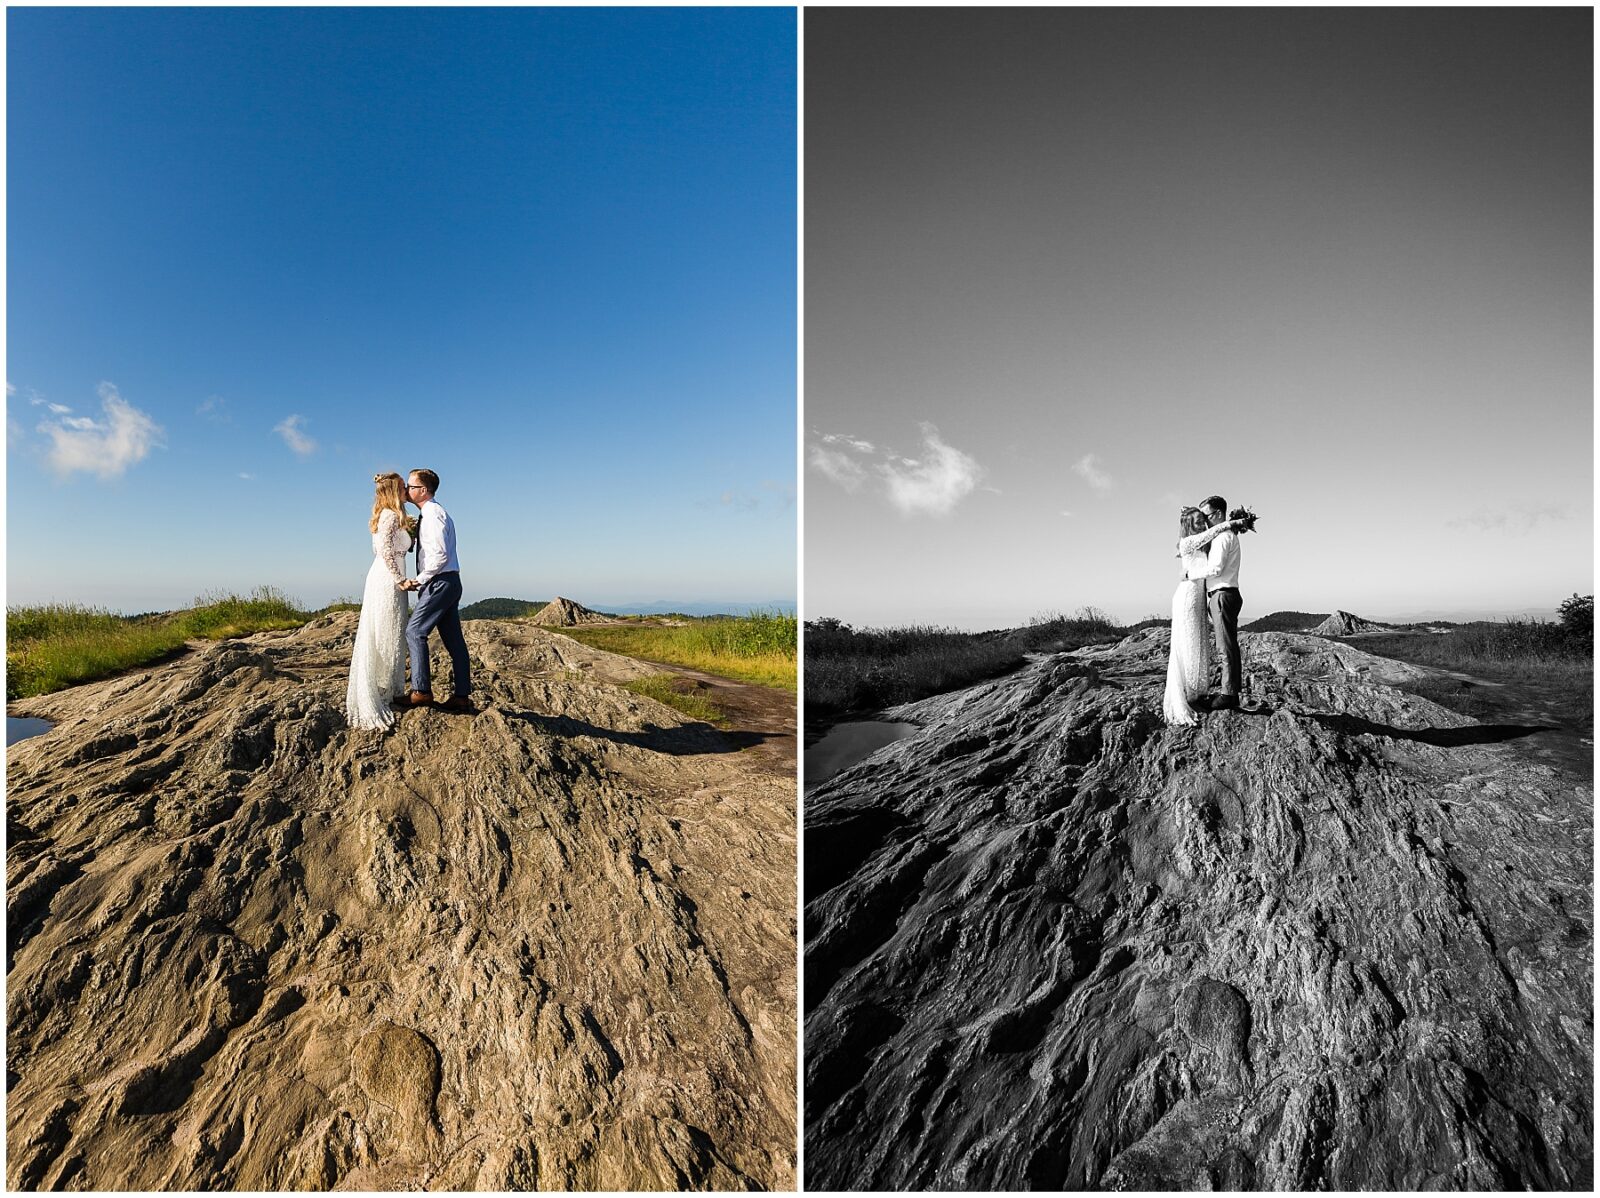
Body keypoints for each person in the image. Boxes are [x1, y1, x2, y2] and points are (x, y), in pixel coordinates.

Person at [398, 468, 474, 713]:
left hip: (440, 582)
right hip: (450, 581)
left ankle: (421, 692)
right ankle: (461, 696)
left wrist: (420, 580)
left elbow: (440, 554)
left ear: (423, 490)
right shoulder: (434, 513)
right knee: (454, 641)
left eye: (410, 486)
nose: (407, 490)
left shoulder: (432, 515)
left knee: (414, 631)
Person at [345, 472, 413, 730]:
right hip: (388, 578)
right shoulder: (390, 516)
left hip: (386, 575)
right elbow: (386, 550)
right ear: (394, 490)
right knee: (387, 630)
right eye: (402, 486)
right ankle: (384, 688)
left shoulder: (390, 515)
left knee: (391, 630)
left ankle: (388, 685)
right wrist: (400, 580)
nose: (406, 489)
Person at [1162, 507, 1242, 725]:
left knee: (1198, 643)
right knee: (1187, 642)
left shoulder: (1205, 542)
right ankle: (1187, 691)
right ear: (1188, 524)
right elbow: (1210, 535)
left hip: (1200, 596)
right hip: (1187, 595)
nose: (1202, 522)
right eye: (1197, 520)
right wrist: (1232, 523)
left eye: (1203, 518)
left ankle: (1196, 689)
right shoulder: (1187, 542)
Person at [1191, 494, 1245, 710]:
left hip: (1222, 594)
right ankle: (1230, 691)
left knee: (1225, 647)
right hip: (1223, 593)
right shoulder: (1223, 535)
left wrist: (1190, 574)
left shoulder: (1223, 538)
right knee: (1227, 645)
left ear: (1219, 514)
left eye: (1208, 516)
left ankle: (1228, 695)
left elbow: (1215, 569)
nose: (1205, 521)